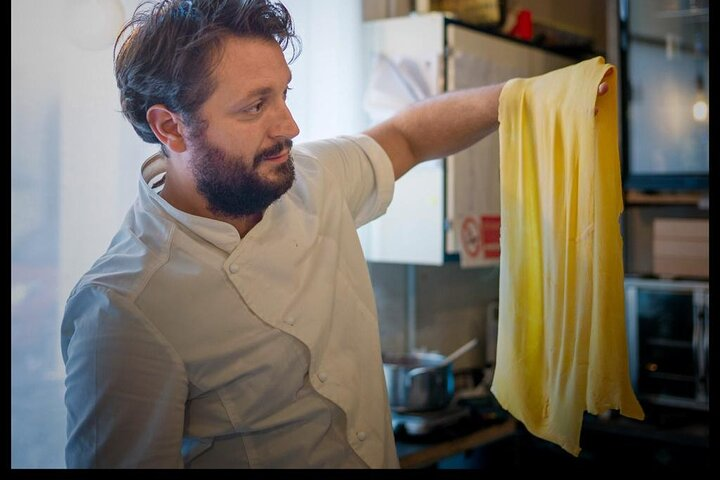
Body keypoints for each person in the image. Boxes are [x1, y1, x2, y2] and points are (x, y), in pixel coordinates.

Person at [60, 0, 611, 469]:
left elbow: (407, 135)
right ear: (170, 127)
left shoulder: (311, 180)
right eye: (256, 105)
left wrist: (520, 100)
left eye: (283, 94)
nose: (290, 126)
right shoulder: (123, 308)